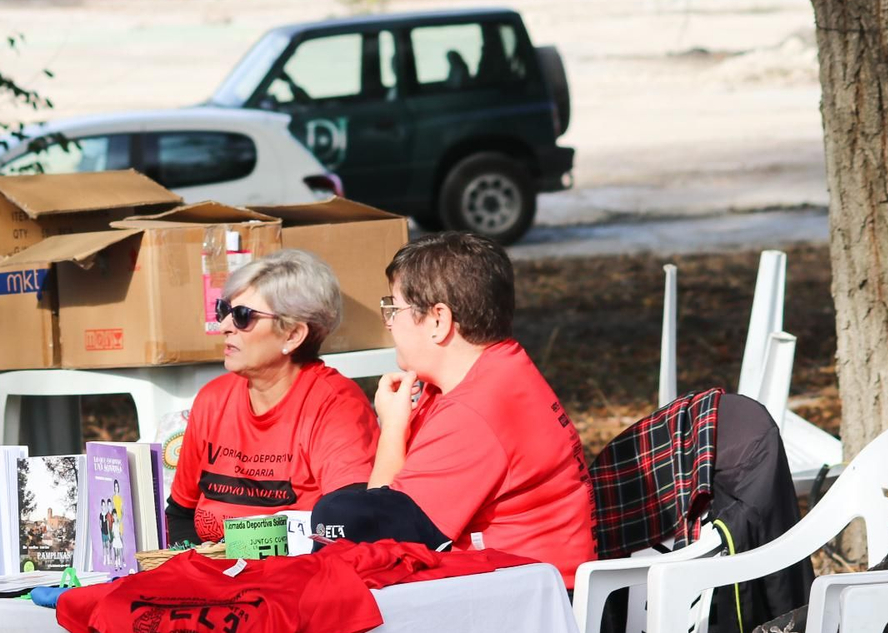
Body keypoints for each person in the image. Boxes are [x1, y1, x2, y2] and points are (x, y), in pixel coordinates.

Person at [311, 232, 596, 588]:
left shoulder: (475, 410)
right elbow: (393, 506)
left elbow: (381, 542)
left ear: (438, 321)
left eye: (393, 309)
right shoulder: (491, 372)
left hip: (536, 607)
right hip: (519, 587)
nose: (389, 323)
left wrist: (392, 431)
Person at [165, 249, 378, 545]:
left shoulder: (336, 404)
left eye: (242, 317)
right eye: (223, 310)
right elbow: (180, 514)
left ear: (292, 335)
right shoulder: (212, 400)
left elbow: (347, 523)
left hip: (297, 578)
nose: (224, 326)